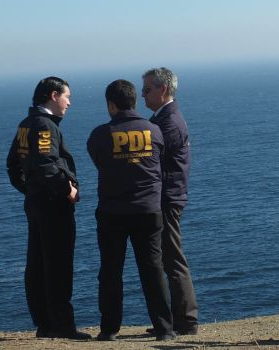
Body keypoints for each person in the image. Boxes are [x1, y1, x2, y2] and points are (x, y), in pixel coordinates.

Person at [87, 79, 175, 341]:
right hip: (149, 210)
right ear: (135, 101)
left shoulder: (100, 134)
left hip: (113, 211)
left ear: (111, 105)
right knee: (153, 270)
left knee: (111, 271)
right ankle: (164, 328)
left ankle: (109, 329)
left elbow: (98, 162)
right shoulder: (154, 131)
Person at [6, 76, 91, 340]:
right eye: (67, 96)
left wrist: (29, 190)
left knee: (38, 264)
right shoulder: (44, 126)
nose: (70, 102)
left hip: (35, 202)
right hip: (52, 205)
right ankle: (62, 326)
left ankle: (44, 323)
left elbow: (13, 166)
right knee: (58, 266)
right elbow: (45, 164)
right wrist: (68, 190)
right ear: (53, 96)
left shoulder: (26, 124)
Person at [142, 67, 199, 335]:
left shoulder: (168, 122)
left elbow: (157, 164)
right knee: (170, 258)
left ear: (162, 89)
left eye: (147, 89)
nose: (143, 95)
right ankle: (180, 319)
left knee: (173, 259)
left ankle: (186, 321)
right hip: (170, 196)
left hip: (166, 199)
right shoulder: (167, 118)